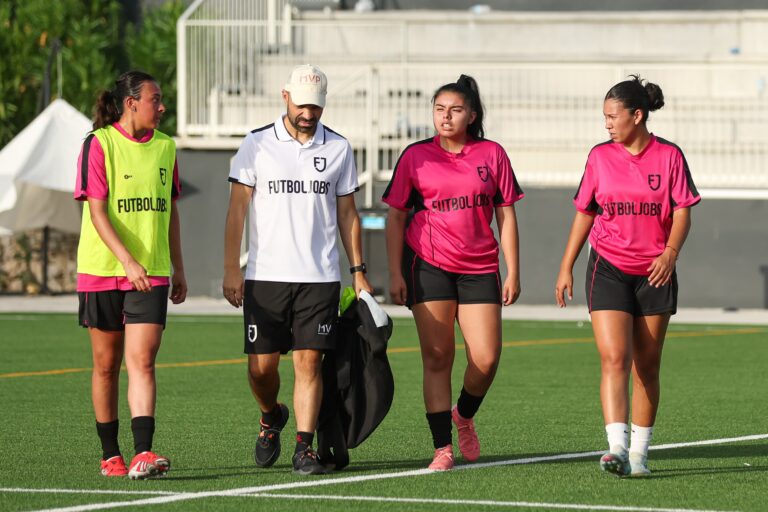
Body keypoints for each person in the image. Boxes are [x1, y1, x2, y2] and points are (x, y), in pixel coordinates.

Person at [223, 64, 373, 476]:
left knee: (308, 363)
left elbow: (348, 213)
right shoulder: (255, 144)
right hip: (265, 276)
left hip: (320, 276)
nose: (310, 114)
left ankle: (303, 448)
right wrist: (230, 269)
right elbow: (237, 210)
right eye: (304, 105)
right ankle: (271, 415)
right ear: (284, 96)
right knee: (261, 368)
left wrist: (357, 269)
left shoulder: (339, 148)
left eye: (317, 107)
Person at [555, 75, 700, 477]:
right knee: (614, 357)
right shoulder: (599, 157)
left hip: (655, 273)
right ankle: (616, 448)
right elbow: (585, 211)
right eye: (604, 117)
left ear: (637, 115)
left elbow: (683, 211)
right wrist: (566, 264)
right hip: (608, 268)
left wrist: (670, 253)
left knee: (647, 367)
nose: (607, 124)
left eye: (612, 116)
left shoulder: (670, 156)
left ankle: (639, 455)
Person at [383, 75, 523, 471]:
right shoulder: (415, 156)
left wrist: (513, 269)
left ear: (472, 115)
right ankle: (442, 447)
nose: (445, 117)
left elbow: (506, 215)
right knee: (438, 355)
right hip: (428, 265)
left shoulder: (492, 154)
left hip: (480, 267)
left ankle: (463, 414)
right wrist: (395, 272)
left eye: (455, 110)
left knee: (486, 358)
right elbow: (395, 217)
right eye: (439, 109)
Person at [74, 70, 186, 479]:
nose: (162, 107)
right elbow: (97, 212)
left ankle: (143, 452)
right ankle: (111, 455)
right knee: (106, 365)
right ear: (130, 103)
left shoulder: (167, 148)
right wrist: (126, 260)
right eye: (155, 99)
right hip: (103, 271)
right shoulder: (98, 144)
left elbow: (172, 212)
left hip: (151, 272)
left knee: (143, 360)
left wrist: (178, 267)